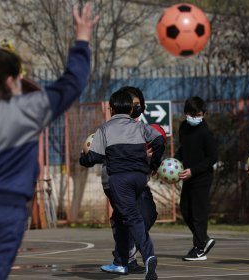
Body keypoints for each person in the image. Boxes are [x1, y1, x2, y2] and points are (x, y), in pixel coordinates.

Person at [0, 4, 99, 279]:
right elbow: (72, 83)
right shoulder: (29, 109)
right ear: (10, 81)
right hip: (5, 213)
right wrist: (82, 40)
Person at [80, 88, 165, 280]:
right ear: (130, 110)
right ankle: (120, 263)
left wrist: (82, 157)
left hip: (119, 179)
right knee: (122, 218)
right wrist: (154, 163)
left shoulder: (105, 128)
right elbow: (159, 140)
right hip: (140, 178)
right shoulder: (139, 127)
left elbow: (94, 156)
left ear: (111, 108)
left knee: (133, 218)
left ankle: (148, 254)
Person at [174, 96, 218, 261]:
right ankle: (204, 239)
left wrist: (193, 170)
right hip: (188, 177)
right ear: (186, 113)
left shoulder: (205, 132)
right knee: (185, 209)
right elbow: (183, 149)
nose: (195, 118)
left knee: (198, 214)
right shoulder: (184, 127)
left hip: (202, 177)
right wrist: (174, 161)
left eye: (199, 115)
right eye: (192, 114)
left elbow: (212, 157)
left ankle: (200, 248)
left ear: (204, 114)